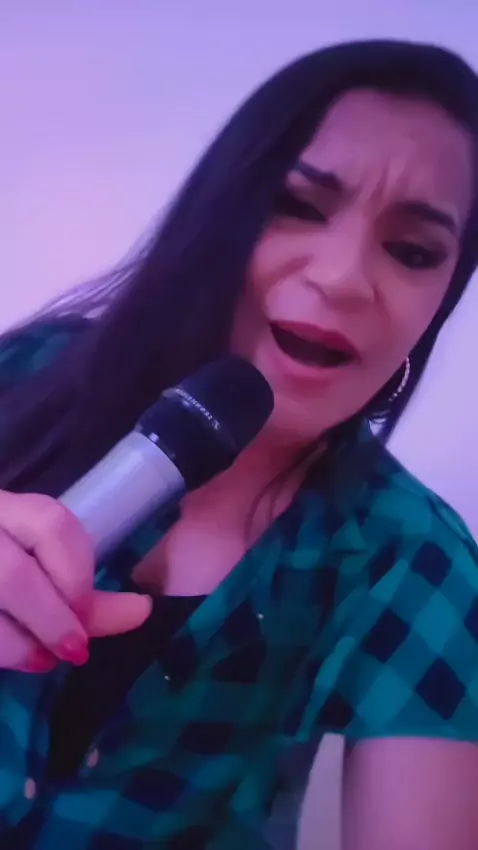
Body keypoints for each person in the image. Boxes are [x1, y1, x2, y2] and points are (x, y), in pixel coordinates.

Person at [0, 37, 477, 850]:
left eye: (412, 252)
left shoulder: (411, 557)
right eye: (298, 204)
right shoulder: (30, 374)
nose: (341, 277)